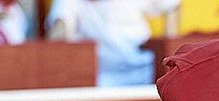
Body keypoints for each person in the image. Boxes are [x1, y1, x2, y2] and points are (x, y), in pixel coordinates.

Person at [46, 0, 180, 87]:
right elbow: (59, 30)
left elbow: (172, 5)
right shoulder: (69, 3)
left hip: (144, 73)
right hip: (102, 80)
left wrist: (169, 45)